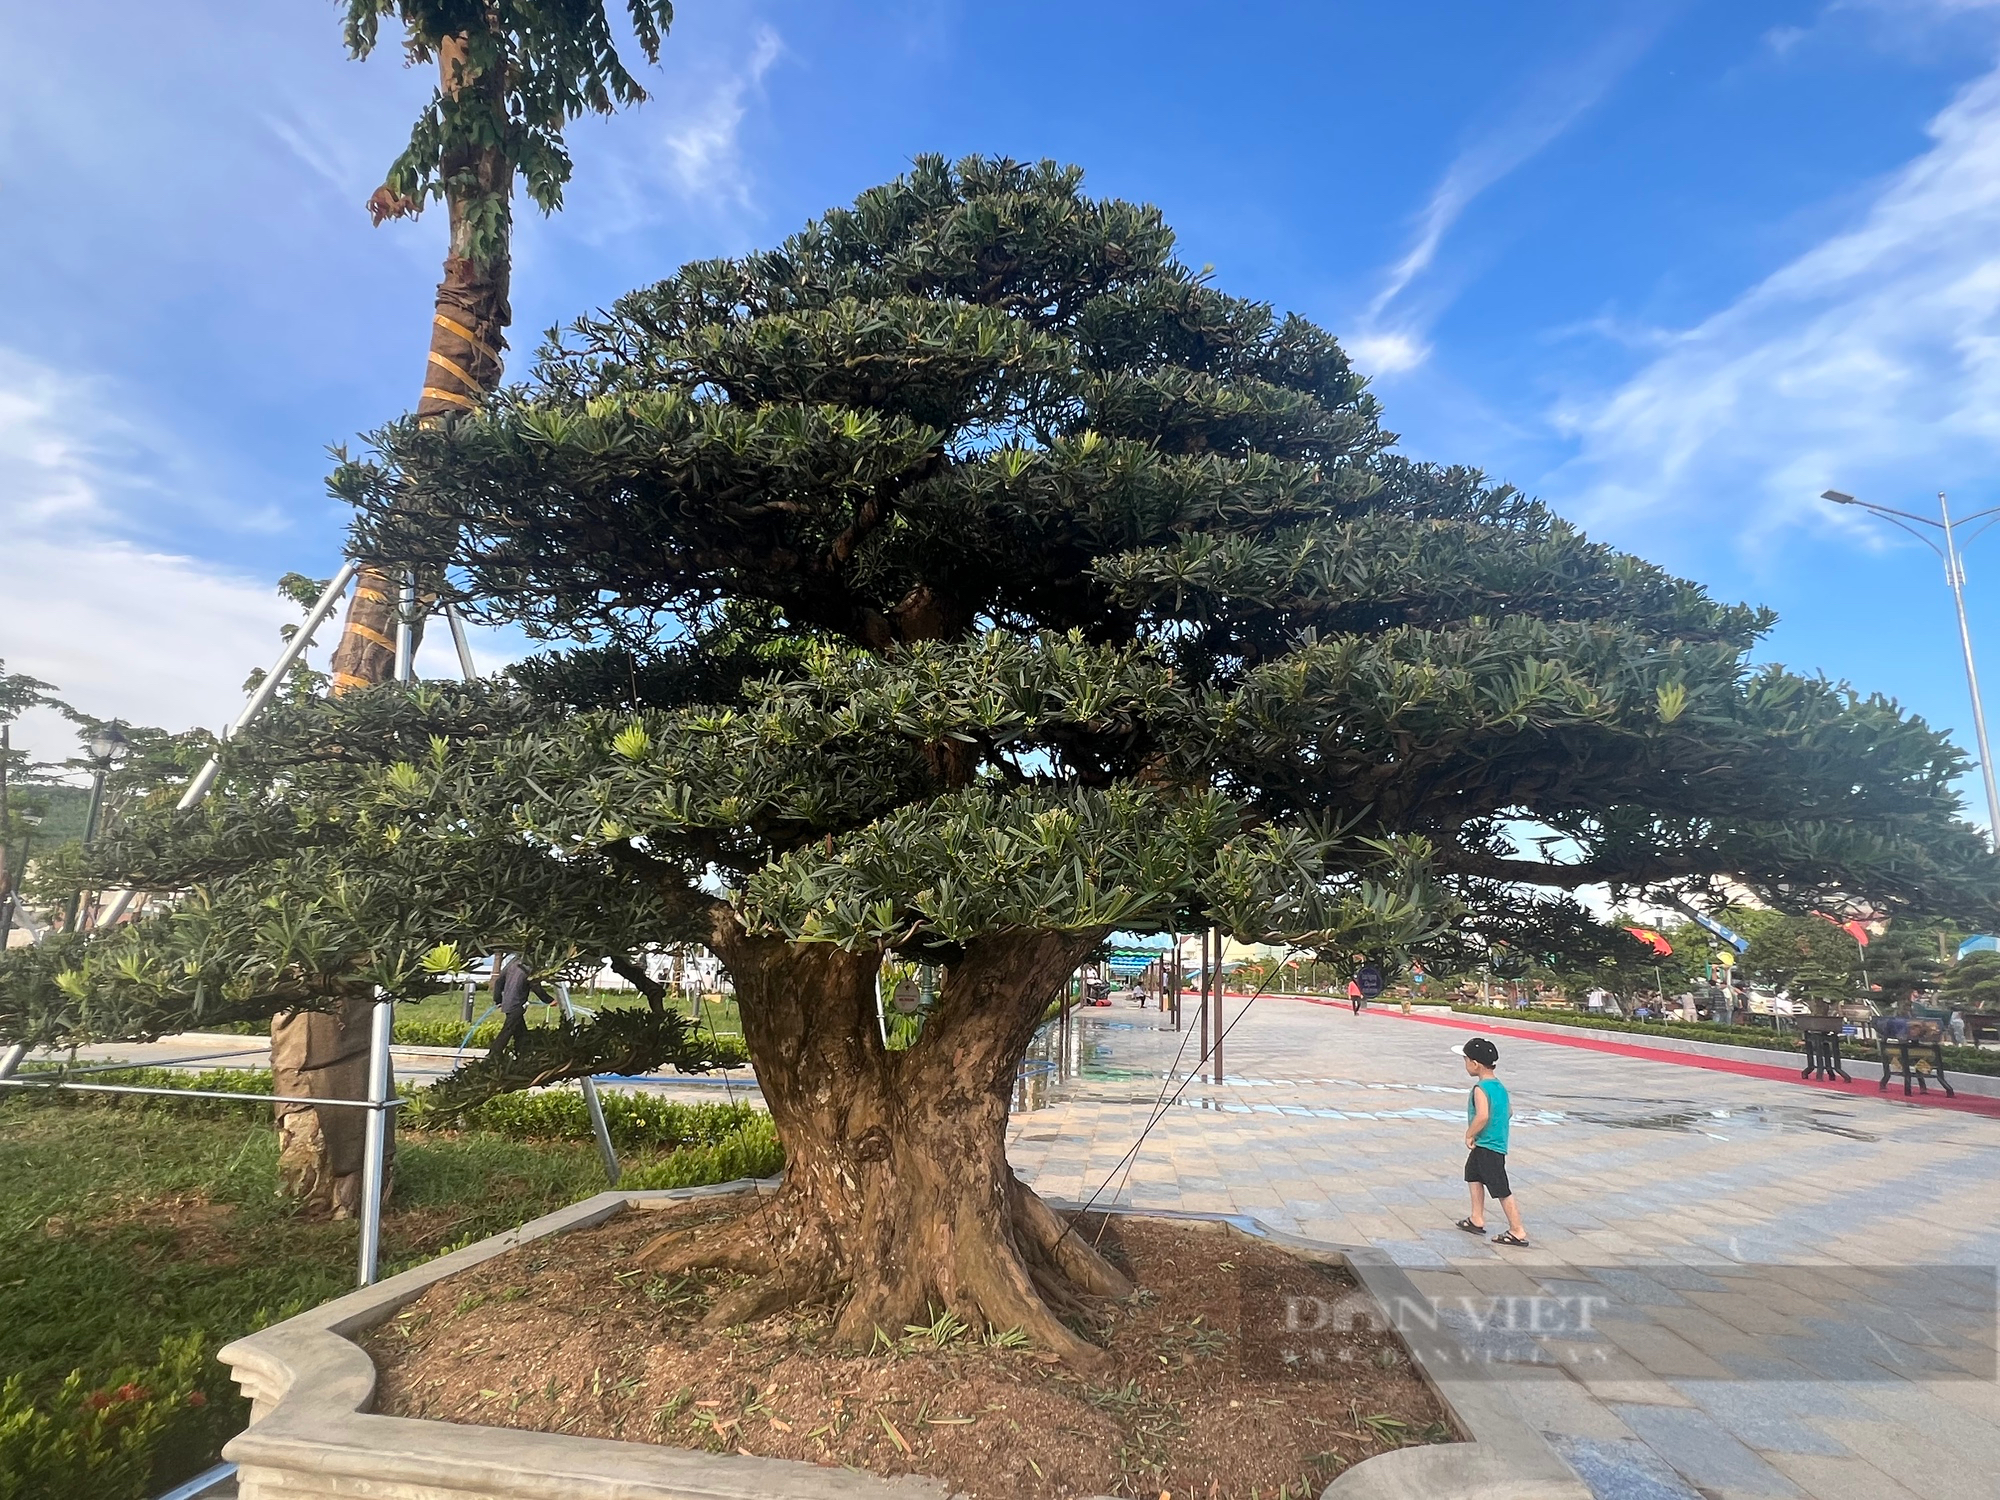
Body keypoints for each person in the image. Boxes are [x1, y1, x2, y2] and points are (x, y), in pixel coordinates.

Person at [1452, 1037, 1529, 1246]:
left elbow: (1483, 1116)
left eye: (1466, 1060)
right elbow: (1509, 1112)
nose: (1465, 1064)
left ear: (1475, 1064)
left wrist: (1470, 1134)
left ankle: (1517, 1229)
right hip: (1491, 1143)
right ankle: (1476, 1218)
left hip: (1489, 1146)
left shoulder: (1480, 1089)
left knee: (1500, 1188)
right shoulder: (1499, 1086)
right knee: (1473, 1174)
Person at [491, 954, 555, 1055]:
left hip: (509, 1003)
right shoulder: (529, 967)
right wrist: (549, 1000)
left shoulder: (513, 962)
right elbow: (535, 986)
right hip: (517, 1004)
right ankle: (493, 1055)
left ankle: (523, 1054)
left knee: (520, 1032)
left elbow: (499, 981)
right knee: (508, 1030)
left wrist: (498, 1000)